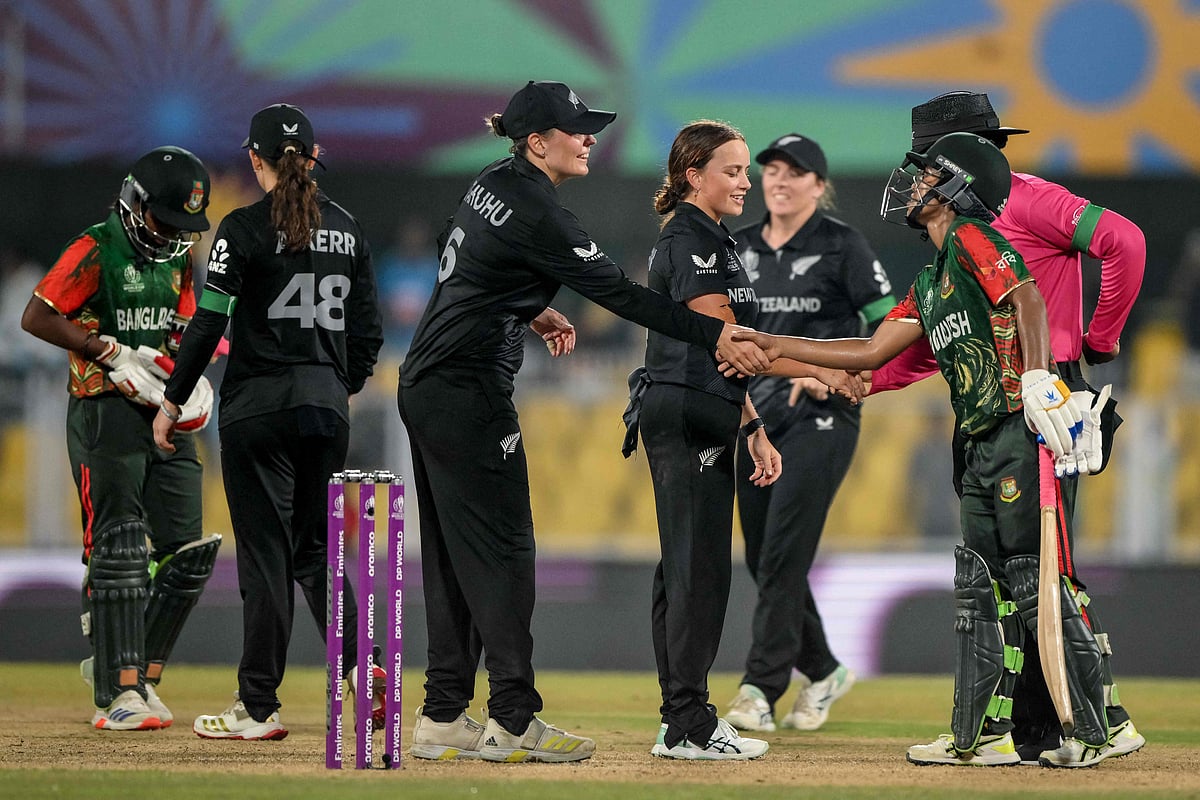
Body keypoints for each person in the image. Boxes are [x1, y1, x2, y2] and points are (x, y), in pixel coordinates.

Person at [734, 132, 1148, 768]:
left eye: (926, 175)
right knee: (984, 587)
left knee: (1034, 581)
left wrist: (1040, 379)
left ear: (955, 188)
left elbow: (1027, 298)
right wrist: (773, 346)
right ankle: (982, 735)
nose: (912, 184)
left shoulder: (973, 239)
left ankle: (1099, 729)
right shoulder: (930, 279)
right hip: (980, 440)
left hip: (1021, 429)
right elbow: (870, 353)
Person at [397, 82, 773, 764]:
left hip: (427, 382)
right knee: (506, 555)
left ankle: (444, 713)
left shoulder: (493, 184)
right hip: (469, 390)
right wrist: (714, 337)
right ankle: (511, 719)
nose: (589, 138)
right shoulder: (541, 212)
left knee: (454, 560)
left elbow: (473, 267)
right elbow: (625, 297)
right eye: (577, 129)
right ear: (537, 141)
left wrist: (529, 306)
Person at [870, 91, 1146, 764]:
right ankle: (1020, 731)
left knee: (1039, 569)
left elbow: (1125, 242)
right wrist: (858, 378)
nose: (918, 174)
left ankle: (1097, 722)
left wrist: (1097, 339)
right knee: (1005, 573)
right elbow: (934, 339)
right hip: (989, 407)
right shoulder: (962, 233)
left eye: (926, 159)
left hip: (1042, 399)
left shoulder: (1023, 198)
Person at [626, 120, 864, 761]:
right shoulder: (691, 240)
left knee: (689, 568)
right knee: (693, 571)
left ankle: (684, 717)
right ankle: (688, 723)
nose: (745, 182)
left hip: (711, 412)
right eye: (731, 171)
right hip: (684, 412)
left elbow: (727, 363)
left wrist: (753, 427)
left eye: (742, 170)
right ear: (691, 175)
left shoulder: (717, 241)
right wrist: (819, 366)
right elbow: (730, 345)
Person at [152, 104, 384, 740]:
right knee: (316, 554)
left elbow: (209, 323)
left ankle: (258, 706)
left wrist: (171, 402)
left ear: (256, 160)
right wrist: (336, 387)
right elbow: (369, 334)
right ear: (311, 159)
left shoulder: (241, 229)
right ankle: (370, 688)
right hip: (325, 412)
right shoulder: (349, 229)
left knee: (266, 559)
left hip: (257, 413)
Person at [21, 146, 221, 730]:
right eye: (167, 220)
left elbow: (183, 327)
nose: (174, 235)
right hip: (103, 411)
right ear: (136, 204)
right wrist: (101, 348)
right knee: (118, 548)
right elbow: (37, 315)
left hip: (160, 411)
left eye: (186, 226)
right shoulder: (97, 247)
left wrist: (186, 374)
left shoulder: (178, 258)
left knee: (187, 554)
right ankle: (118, 691)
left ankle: (139, 680)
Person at [722, 133, 895, 734]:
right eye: (772, 169)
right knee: (762, 557)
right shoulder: (734, 248)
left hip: (823, 417)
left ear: (820, 187)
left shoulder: (843, 245)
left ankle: (759, 690)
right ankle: (822, 669)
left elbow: (891, 326)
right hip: (754, 419)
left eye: (796, 172)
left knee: (784, 553)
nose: (780, 179)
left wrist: (846, 374)